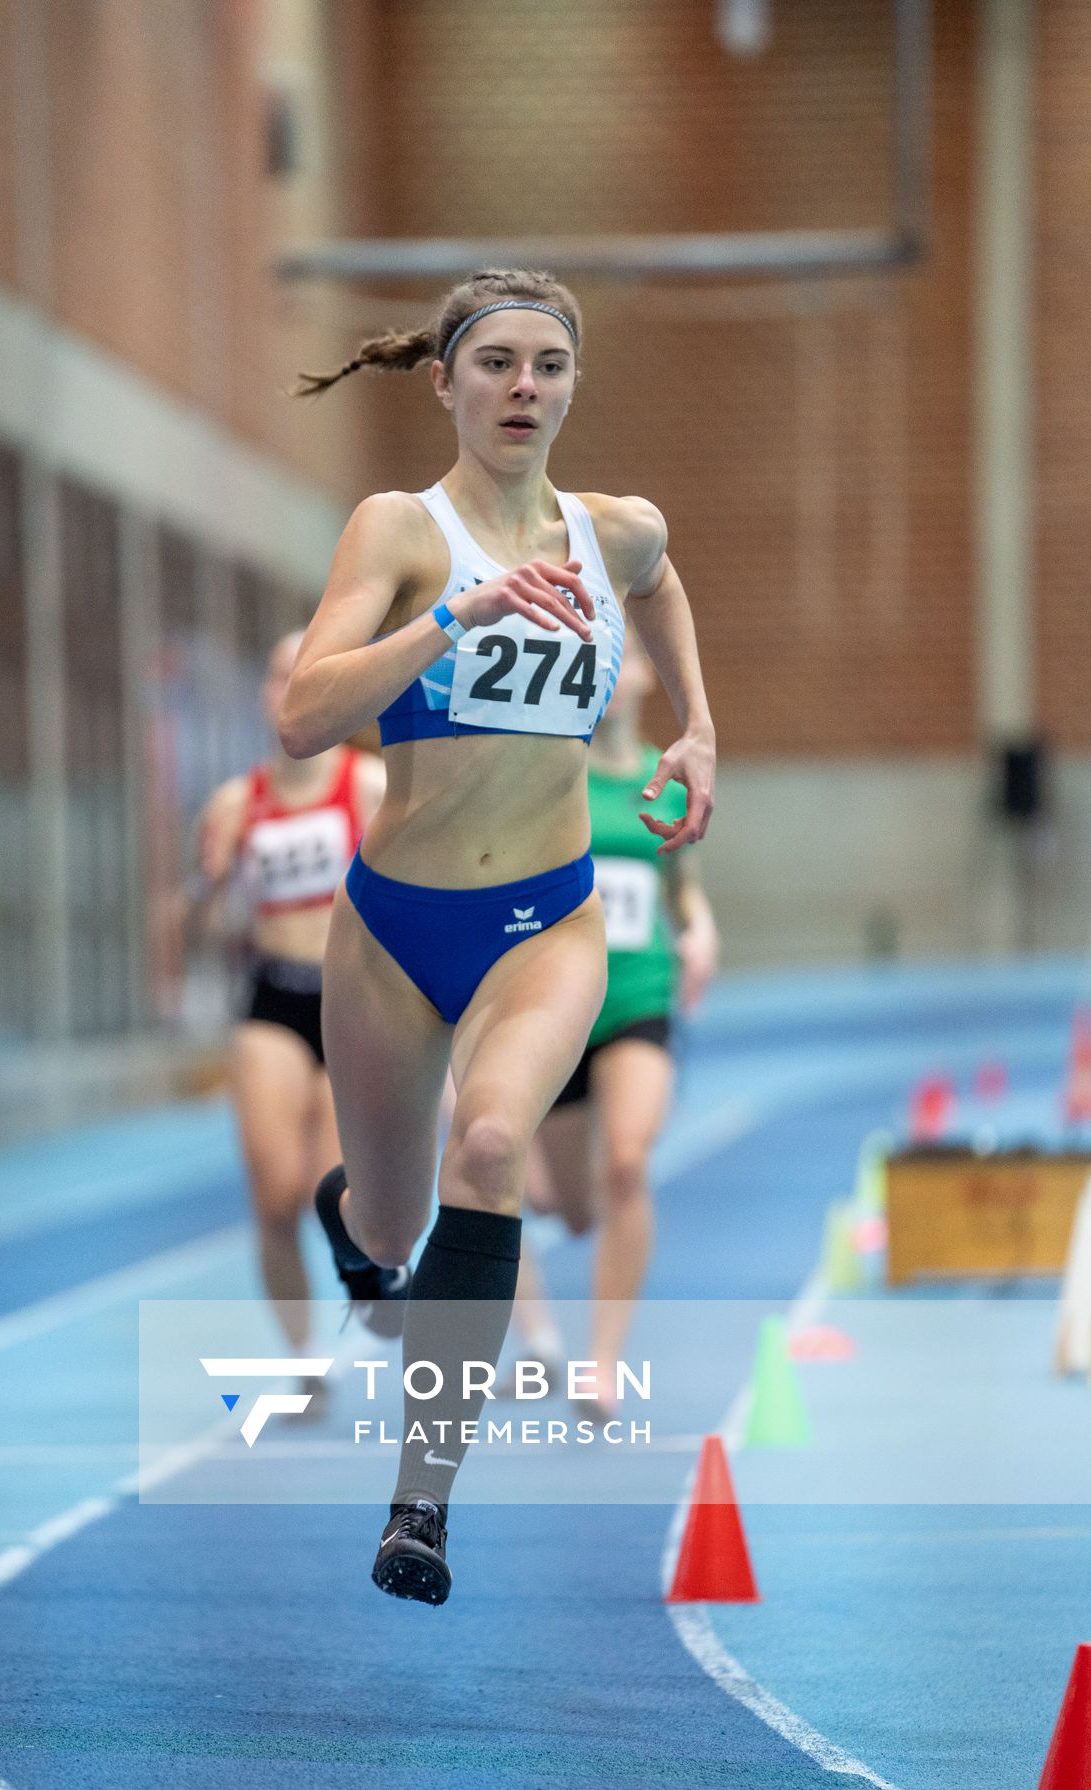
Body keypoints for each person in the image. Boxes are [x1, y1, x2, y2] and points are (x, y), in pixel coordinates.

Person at [282, 268, 715, 1606]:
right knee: (396, 1215)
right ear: (447, 382)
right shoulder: (401, 530)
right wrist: (453, 616)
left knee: (490, 1145)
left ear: (573, 382)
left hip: (548, 917)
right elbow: (303, 715)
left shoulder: (615, 530)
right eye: (497, 366)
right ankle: (350, 1211)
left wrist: (699, 726)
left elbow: (664, 583)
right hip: (394, 927)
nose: (524, 388)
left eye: (548, 366)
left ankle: (423, 1506)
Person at [510, 636, 720, 1417]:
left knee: (627, 1163)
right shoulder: (548, 781)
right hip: (560, 1000)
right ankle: (546, 1327)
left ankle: (602, 1364)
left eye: (622, 659)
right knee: (569, 1205)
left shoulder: (667, 779)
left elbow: (683, 887)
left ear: (641, 678)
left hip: (639, 995)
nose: (609, 674)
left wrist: (700, 929)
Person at [194, 632, 388, 1409]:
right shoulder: (236, 803)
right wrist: (207, 892)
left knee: (330, 1187)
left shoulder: (370, 785)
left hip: (351, 996)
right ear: (263, 693)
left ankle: (366, 1269)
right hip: (272, 995)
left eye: (306, 676)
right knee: (271, 1194)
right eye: (278, 676)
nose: (290, 689)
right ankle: (305, 1357)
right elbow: (200, 927)